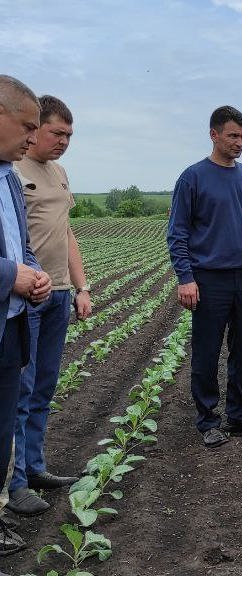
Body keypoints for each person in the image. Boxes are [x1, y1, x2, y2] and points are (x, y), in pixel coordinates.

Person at [167, 105, 242, 448]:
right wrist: (185, 277)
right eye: (233, 135)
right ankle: (207, 420)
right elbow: (177, 233)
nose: (239, 142)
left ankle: (240, 416)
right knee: (206, 351)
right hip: (208, 278)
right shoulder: (193, 177)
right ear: (214, 134)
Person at [5, 95, 92, 518]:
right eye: (57, 133)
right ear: (35, 128)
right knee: (20, 391)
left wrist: (81, 286)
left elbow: (67, 232)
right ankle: (15, 482)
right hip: (23, 296)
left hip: (57, 294)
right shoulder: (11, 170)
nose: (64, 142)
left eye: (69, 135)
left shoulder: (57, 172)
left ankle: (35, 467)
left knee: (43, 388)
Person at [0, 75, 52, 556]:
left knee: (1, 428)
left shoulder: (10, 180)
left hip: (12, 324)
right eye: (26, 126)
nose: (32, 139)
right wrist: (8, 276)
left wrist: (33, 276)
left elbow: (24, 247)